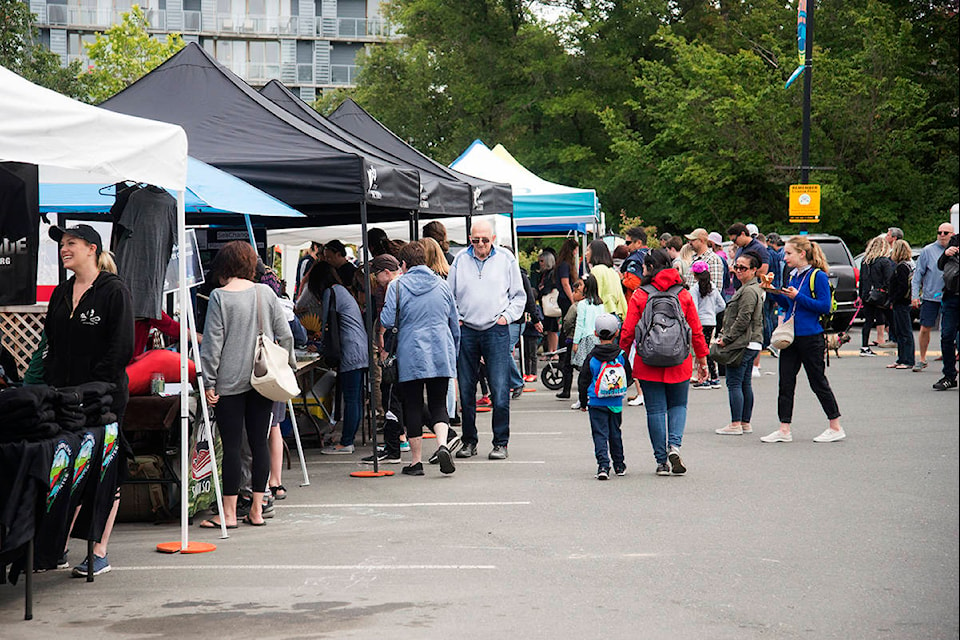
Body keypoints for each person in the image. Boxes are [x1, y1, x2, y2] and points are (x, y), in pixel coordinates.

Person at [45, 224, 134, 576]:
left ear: (92, 249)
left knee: (104, 470)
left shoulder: (114, 291)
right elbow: (50, 345)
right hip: (63, 399)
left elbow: (120, 349)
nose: (65, 249)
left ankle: (99, 550)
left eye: (72, 243)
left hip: (104, 398)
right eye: (62, 244)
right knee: (65, 468)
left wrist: (93, 390)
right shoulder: (60, 293)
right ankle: (57, 546)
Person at [200, 240, 295, 528]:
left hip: (229, 382)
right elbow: (286, 334)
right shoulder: (265, 292)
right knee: (259, 444)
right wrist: (288, 366)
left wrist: (209, 381)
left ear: (225, 265)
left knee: (231, 447)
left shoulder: (219, 297)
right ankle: (256, 509)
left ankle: (228, 514)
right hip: (263, 379)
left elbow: (213, 345)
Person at [619, 250, 709, 475]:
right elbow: (695, 330)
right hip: (679, 359)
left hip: (648, 360)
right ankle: (674, 446)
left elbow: (629, 330)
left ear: (649, 268)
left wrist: (620, 355)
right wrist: (703, 360)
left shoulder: (641, 294)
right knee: (678, 405)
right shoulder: (683, 294)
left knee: (655, 411)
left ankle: (661, 462)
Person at [380, 242, 460, 476]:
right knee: (438, 403)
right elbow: (454, 323)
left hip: (410, 353)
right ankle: (442, 445)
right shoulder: (442, 285)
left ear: (403, 264)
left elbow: (387, 320)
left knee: (412, 405)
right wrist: (452, 352)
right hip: (440, 351)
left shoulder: (397, 286)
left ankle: (416, 462)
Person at [448, 219, 526, 460]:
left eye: (484, 239)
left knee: (500, 388)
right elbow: (449, 295)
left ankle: (500, 442)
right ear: (469, 239)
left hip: (496, 329)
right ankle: (469, 441)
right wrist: (457, 318)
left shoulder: (506, 259)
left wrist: (506, 317)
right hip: (467, 329)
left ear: (493, 238)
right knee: (467, 389)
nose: (480, 244)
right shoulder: (460, 259)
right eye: (475, 239)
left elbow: (519, 296)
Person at [760, 236, 844, 443]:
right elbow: (789, 305)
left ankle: (835, 425)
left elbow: (824, 306)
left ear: (802, 254)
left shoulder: (818, 276)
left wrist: (797, 296)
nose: (784, 257)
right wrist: (772, 291)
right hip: (791, 337)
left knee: (818, 381)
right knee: (785, 382)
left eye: (788, 253)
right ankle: (784, 428)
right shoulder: (793, 275)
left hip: (811, 336)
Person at [307, 262, 369, 454]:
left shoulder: (330, 293)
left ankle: (346, 442)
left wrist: (316, 345)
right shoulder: (342, 291)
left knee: (351, 398)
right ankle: (347, 439)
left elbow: (327, 326)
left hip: (350, 351)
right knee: (355, 399)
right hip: (360, 349)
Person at [714, 252, 764, 435]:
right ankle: (744, 422)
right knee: (744, 383)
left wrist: (726, 339)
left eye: (743, 268)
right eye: (736, 267)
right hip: (751, 342)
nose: (738, 271)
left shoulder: (749, 290)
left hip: (743, 342)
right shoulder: (750, 288)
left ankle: (736, 423)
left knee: (735, 383)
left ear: (753, 270)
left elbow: (743, 319)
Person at [577, 314, 632, 480]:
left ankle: (603, 465)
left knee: (600, 433)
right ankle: (619, 464)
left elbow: (583, 380)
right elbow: (628, 375)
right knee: (615, 432)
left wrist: (583, 400)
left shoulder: (592, 357)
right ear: (617, 333)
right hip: (615, 401)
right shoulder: (621, 355)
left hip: (596, 401)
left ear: (595, 333)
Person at [911, 223, 955, 371]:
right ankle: (922, 358)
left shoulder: (956, 250)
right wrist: (915, 295)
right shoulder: (928, 251)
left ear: (952, 235)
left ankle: (950, 360)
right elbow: (918, 275)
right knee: (925, 328)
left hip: (950, 295)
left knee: (949, 330)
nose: (942, 235)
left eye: (946, 233)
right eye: (939, 232)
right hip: (931, 296)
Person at [689, 261, 726, 389]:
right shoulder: (713, 288)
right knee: (706, 348)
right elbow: (722, 305)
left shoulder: (694, 289)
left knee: (701, 351)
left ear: (694, 275)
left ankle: (706, 377)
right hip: (711, 322)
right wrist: (711, 312)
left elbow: (693, 308)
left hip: (700, 322)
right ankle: (712, 376)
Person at [571, 274, 606, 409]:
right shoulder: (600, 304)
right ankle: (594, 396)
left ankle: (582, 398)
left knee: (584, 373)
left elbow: (580, 324)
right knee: (595, 371)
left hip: (585, 339)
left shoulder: (582, 304)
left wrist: (575, 342)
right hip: (597, 339)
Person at [858, 236, 895, 357]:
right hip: (881, 295)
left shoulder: (865, 261)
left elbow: (862, 280)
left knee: (868, 321)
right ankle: (897, 341)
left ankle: (864, 346)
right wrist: (890, 296)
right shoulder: (884, 261)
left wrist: (861, 295)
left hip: (867, 295)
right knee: (891, 319)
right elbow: (889, 280)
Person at [934, 226, 959, 390]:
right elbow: (940, 265)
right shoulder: (955, 240)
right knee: (947, 336)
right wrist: (946, 253)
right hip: (952, 297)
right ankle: (949, 375)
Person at [886, 240, 917, 370]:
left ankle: (908, 359)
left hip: (901, 303)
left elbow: (902, 286)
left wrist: (893, 299)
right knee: (900, 331)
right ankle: (901, 358)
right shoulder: (908, 265)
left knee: (905, 331)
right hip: (902, 302)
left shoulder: (902, 267)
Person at [585, 239, 627, 318]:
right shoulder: (613, 272)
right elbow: (620, 296)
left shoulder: (596, 270)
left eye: (588, 250)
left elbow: (596, 295)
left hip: (603, 315)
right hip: (616, 314)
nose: (585, 254)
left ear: (595, 252)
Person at [556, 279, 582, 400]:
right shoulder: (592, 305)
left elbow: (567, 321)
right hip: (585, 339)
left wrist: (567, 333)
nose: (573, 294)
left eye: (575, 292)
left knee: (568, 366)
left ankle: (566, 390)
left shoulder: (575, 307)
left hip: (572, 338)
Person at [684, 228, 724, 292]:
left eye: (693, 240)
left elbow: (715, 289)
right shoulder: (693, 259)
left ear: (701, 241)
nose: (690, 243)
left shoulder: (713, 259)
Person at [537, 251, 560, 354]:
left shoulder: (551, 274)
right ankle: (551, 350)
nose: (540, 263)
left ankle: (553, 350)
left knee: (553, 330)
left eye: (542, 261)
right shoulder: (546, 273)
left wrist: (542, 289)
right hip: (547, 305)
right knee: (550, 330)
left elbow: (549, 287)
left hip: (550, 304)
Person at [556, 237, 580, 321]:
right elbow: (565, 283)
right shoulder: (565, 265)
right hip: (565, 298)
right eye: (575, 250)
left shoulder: (563, 263)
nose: (576, 252)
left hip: (564, 297)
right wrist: (572, 299)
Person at [620, 226, 649, 294]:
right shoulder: (652, 254)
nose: (626, 246)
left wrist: (622, 279)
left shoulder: (635, 259)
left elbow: (634, 283)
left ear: (638, 243)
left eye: (628, 243)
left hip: (635, 299)